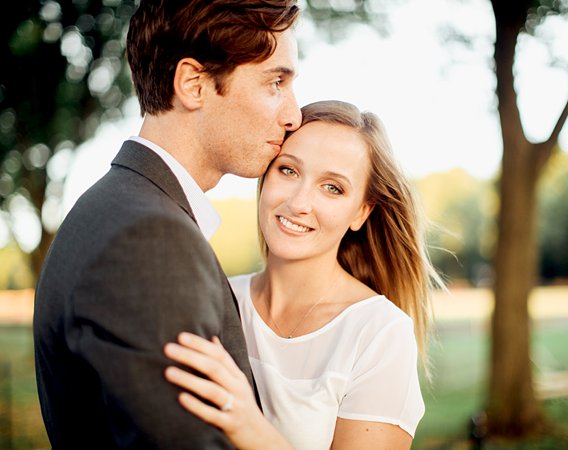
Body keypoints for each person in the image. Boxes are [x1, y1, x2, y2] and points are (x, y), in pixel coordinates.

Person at [33, 0, 301, 448]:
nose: (293, 115)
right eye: (275, 82)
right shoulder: (148, 238)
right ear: (193, 83)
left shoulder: (116, 208)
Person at [164, 100, 442, 450]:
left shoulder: (379, 333)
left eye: (332, 188)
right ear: (265, 177)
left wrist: (249, 427)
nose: (298, 202)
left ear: (361, 212)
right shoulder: (214, 300)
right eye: (288, 171)